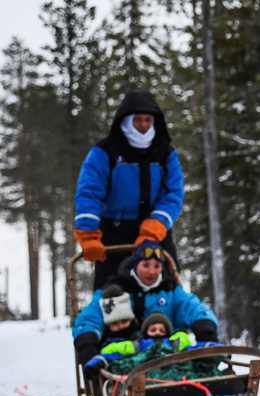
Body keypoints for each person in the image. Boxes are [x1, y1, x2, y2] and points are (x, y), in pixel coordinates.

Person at [74, 89, 184, 290]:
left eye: (148, 120)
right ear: (126, 120)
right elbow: (89, 192)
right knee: (111, 295)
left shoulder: (165, 152)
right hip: (114, 234)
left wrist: (154, 227)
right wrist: (88, 233)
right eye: (138, 120)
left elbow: (173, 193)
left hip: (155, 233)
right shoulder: (105, 151)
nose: (143, 125)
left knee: (166, 291)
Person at [74, 241, 220, 374]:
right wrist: (88, 345)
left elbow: (196, 309)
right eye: (146, 265)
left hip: (168, 358)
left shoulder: (171, 291)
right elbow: (90, 318)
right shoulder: (114, 290)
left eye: (157, 266)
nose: (152, 272)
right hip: (124, 361)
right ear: (135, 264)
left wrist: (206, 330)